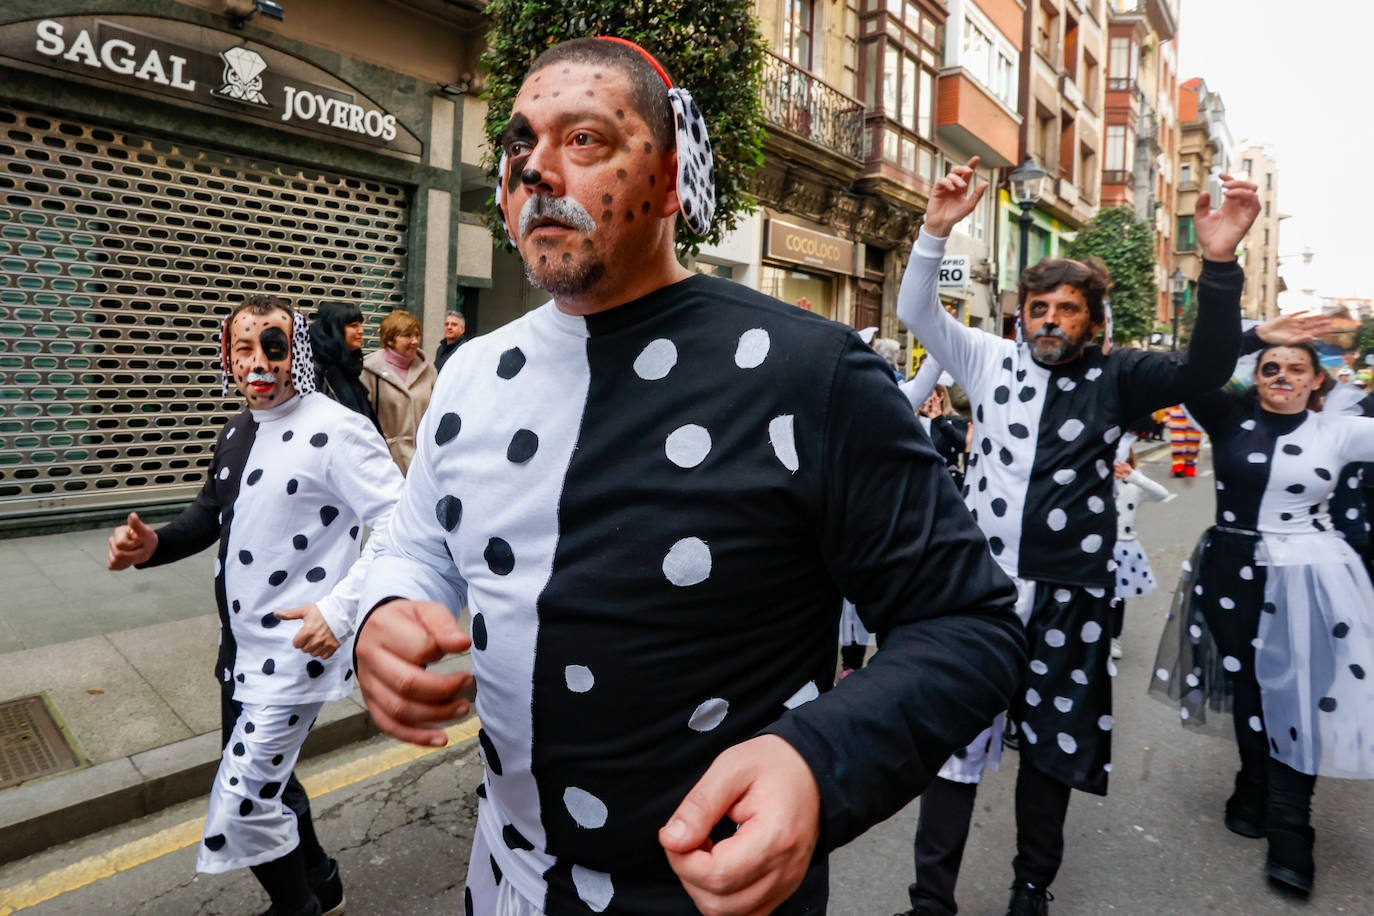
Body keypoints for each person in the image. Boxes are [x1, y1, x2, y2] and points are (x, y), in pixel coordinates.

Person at [351, 36, 1025, 916]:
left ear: (670, 180)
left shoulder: (808, 373)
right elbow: (417, 543)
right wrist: (387, 607)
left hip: (713, 897)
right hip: (503, 880)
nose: (536, 172)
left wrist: (816, 762)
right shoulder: (473, 371)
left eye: (584, 139)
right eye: (519, 142)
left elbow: (968, 626)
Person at [896, 156, 1255, 916]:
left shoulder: (1120, 377)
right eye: (1037, 310)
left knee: (1053, 747)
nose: (1049, 321)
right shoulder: (986, 360)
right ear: (1019, 316)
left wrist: (1218, 261)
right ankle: (931, 902)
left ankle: (1033, 888)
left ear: (1091, 319)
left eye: (1065, 309)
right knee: (956, 747)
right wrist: (933, 230)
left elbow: (1208, 366)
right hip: (981, 594)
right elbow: (920, 315)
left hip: (1072, 595)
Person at [106, 294, 403, 916]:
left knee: (241, 800)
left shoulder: (338, 429)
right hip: (239, 649)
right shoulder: (237, 431)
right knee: (271, 780)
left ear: (296, 353)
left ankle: (297, 908)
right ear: (227, 358)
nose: (259, 362)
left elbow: (404, 526)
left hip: (299, 652)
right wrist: (151, 545)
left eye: (274, 346)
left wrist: (341, 609)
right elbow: (209, 516)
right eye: (244, 348)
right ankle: (321, 880)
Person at [1149, 320, 1374, 895]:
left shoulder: (1339, 432)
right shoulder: (1227, 417)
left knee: (1300, 692)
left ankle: (1291, 829)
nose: (1281, 377)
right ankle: (1252, 784)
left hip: (1311, 576)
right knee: (1248, 685)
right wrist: (1250, 336)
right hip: (1231, 568)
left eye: (1296, 368)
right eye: (1270, 367)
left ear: (1317, 380)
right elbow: (1183, 369)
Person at [1108, 440, 1171, 660]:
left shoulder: (1135, 484)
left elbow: (1162, 494)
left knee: (1118, 597)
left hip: (1123, 547)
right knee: (1096, 595)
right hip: (1098, 548)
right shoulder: (1096, 482)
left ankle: (1113, 637)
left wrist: (1132, 475)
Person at [361, 309, 437, 474]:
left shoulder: (428, 370)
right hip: (386, 461)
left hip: (422, 461)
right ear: (389, 339)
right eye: (407, 336)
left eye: (417, 335)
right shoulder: (370, 370)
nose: (415, 341)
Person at [309, 300, 382, 434]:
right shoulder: (316, 369)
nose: (361, 331)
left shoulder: (349, 367)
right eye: (354, 326)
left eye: (361, 325)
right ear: (333, 328)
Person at [1166, 404, 1202, 477]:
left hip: (1193, 415)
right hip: (1177, 414)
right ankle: (1178, 467)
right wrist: (1167, 415)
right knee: (1177, 442)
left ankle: (1189, 467)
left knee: (1193, 443)